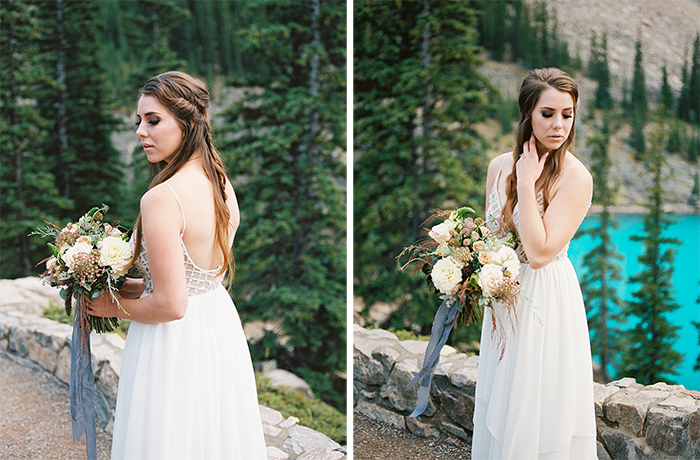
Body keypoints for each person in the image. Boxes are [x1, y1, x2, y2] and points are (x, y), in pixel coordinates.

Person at [87, 71, 268, 459]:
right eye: (138, 121)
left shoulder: (162, 198)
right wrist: (124, 288)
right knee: (211, 437)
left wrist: (109, 307)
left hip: (171, 342)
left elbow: (171, 304)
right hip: (217, 326)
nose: (140, 131)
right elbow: (192, 279)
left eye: (153, 120)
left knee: (167, 438)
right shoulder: (220, 181)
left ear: (187, 123)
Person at [472, 68, 597, 459]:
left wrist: (526, 184)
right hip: (505, 297)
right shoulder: (497, 166)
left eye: (568, 114)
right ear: (528, 114)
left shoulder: (575, 177)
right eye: (548, 113)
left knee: (539, 399)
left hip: (546, 300)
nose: (559, 124)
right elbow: (490, 238)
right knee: (506, 391)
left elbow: (541, 253)